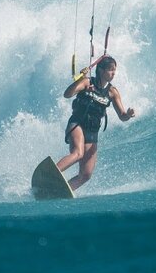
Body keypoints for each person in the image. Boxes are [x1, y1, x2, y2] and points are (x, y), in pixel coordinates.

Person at [56, 55, 136, 190]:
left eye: (114, 70)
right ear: (101, 70)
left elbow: (122, 116)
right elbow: (67, 94)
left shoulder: (112, 92)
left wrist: (128, 114)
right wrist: (79, 79)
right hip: (78, 123)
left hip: (92, 132)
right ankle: (50, 175)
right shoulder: (87, 83)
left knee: (86, 174)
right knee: (77, 153)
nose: (113, 73)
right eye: (110, 70)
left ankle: (59, 191)